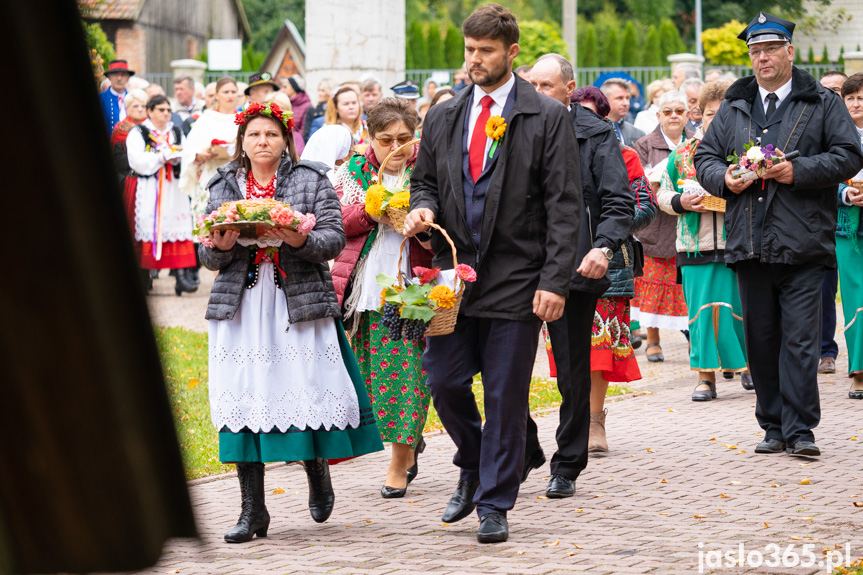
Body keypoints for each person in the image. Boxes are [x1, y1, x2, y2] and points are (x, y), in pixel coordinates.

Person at [404, 5, 581, 543]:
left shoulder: (546, 117)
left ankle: (495, 502)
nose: (474, 60)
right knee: (444, 382)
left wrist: (554, 282)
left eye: (485, 51)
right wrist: (422, 209)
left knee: (506, 394)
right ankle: (474, 461)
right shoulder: (442, 115)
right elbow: (424, 182)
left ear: (512, 53)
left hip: (519, 278)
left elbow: (565, 206)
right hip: (450, 278)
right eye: (469, 50)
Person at [200, 101, 383, 542]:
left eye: (271, 134)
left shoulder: (310, 180)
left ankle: (316, 468)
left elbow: (334, 238)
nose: (262, 142)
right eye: (254, 135)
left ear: (286, 140)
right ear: (242, 142)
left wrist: (299, 238)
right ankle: (252, 510)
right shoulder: (223, 183)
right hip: (240, 305)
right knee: (244, 396)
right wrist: (220, 244)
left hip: (296, 301)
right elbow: (206, 253)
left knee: (301, 389)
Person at [694, 13, 863, 457]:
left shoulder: (822, 101)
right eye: (754, 51)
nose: (762, 57)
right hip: (749, 243)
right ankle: (772, 425)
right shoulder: (734, 103)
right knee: (762, 341)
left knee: (802, 342)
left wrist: (798, 170)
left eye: (770, 49)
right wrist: (724, 179)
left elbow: (848, 155)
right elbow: (705, 158)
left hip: (805, 243)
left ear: (790, 51)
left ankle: (801, 428)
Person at [524, 55, 633, 486]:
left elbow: (618, 201)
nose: (537, 93)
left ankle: (567, 464)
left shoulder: (598, 134)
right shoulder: (510, 128)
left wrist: (603, 247)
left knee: (572, 372)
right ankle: (526, 444)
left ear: (570, 90)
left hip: (576, 264)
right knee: (503, 368)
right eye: (532, 84)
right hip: (519, 266)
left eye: (546, 85)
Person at [329, 98, 432, 499]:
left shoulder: (427, 169)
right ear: (368, 138)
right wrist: (371, 213)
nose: (395, 149)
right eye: (385, 140)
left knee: (408, 372)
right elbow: (335, 220)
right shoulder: (353, 170)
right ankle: (406, 445)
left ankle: (398, 458)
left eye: (404, 139)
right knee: (373, 372)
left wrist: (421, 223)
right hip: (367, 283)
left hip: (414, 280)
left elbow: (448, 220)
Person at [656, 81, 753, 400]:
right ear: (700, 116)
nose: (717, 117)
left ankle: (749, 367)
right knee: (700, 313)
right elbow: (663, 193)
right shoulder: (683, 153)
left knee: (740, 309)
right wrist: (682, 203)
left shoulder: (747, 152)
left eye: (725, 111)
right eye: (710, 113)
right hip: (693, 243)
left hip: (736, 242)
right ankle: (705, 377)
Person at [573, 86, 656, 451]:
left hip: (609, 263)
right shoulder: (552, 153)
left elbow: (645, 207)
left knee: (598, 349)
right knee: (568, 349)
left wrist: (609, 226)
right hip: (561, 261)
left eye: (593, 114)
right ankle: (571, 418)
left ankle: (594, 422)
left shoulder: (624, 155)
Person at [632, 91, 694, 362]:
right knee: (653, 287)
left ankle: (697, 337)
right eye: (667, 111)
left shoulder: (696, 143)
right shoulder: (644, 144)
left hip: (688, 221)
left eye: (679, 111)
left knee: (686, 288)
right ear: (658, 116)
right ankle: (653, 340)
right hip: (656, 225)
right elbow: (638, 181)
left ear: (687, 115)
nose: (673, 116)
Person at [125, 95, 197, 296]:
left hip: (173, 188)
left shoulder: (175, 131)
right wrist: (161, 157)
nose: (166, 113)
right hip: (149, 188)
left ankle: (181, 277)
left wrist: (177, 158)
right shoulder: (138, 132)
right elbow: (136, 160)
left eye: (168, 110)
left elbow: (186, 153)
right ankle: (144, 278)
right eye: (161, 110)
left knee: (177, 226)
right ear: (150, 111)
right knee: (148, 228)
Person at [817, 69, 849, 374]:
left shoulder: (854, 129)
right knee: (823, 290)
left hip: (853, 227)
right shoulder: (816, 130)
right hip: (823, 225)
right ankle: (826, 350)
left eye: (837, 90)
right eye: (825, 90)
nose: (831, 96)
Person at [181, 77, 241, 222]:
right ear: (217, 94)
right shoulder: (206, 119)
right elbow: (189, 149)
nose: (230, 95)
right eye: (226, 91)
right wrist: (199, 155)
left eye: (233, 92)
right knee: (210, 223)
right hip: (211, 173)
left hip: (238, 175)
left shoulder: (244, 119)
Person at [837, 74, 863, 398]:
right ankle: (858, 370)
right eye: (851, 98)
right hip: (847, 229)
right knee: (856, 300)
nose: (856, 103)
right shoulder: (835, 138)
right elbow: (822, 178)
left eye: (862, 97)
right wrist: (845, 193)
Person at [110, 88, 148, 183]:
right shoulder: (120, 129)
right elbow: (119, 160)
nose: (140, 109)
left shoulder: (153, 128)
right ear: (127, 109)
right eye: (135, 106)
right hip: (127, 177)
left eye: (143, 106)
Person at [601, 78, 645, 146]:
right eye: (619, 98)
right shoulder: (592, 131)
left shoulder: (638, 134)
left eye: (627, 98)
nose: (626, 103)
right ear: (605, 100)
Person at [325, 86, 368, 154]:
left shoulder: (368, 127)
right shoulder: (329, 132)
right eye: (346, 104)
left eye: (354, 103)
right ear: (336, 108)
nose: (351, 107)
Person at [264, 92, 305, 156]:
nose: (278, 112)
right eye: (273, 108)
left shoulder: (296, 137)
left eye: (282, 108)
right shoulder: (261, 135)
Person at [99, 59, 134, 132]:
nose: (119, 78)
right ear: (109, 77)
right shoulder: (100, 99)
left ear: (128, 78)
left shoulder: (134, 99)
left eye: (123, 75)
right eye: (115, 74)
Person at [305, 77, 338, 142]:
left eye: (323, 90)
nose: (319, 93)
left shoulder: (338, 109)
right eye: (319, 90)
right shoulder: (312, 110)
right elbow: (306, 134)